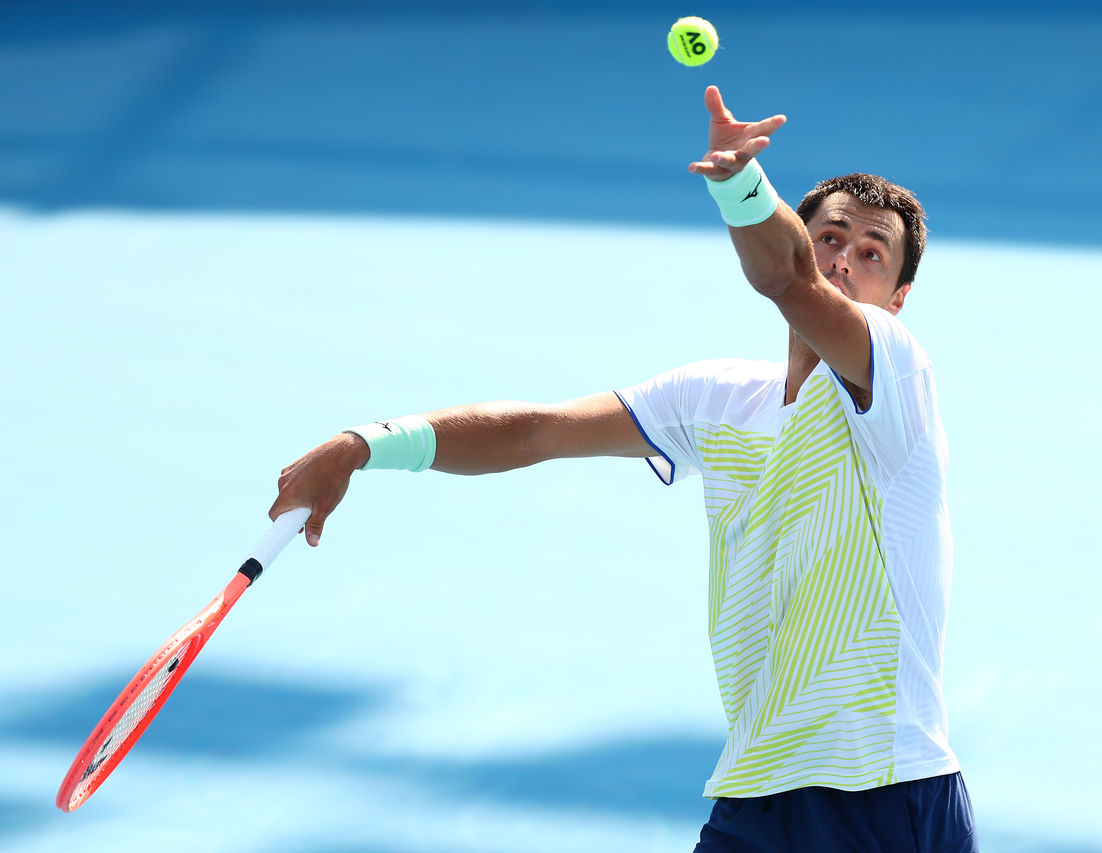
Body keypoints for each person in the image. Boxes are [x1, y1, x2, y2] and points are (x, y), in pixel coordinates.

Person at [269, 85, 977, 852]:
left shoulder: (894, 372)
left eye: (871, 254)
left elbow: (788, 280)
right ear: (805, 239)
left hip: (883, 791)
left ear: (896, 299)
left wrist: (741, 185)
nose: (843, 259)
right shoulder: (715, 398)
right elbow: (536, 430)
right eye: (830, 236)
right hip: (757, 790)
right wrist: (367, 442)